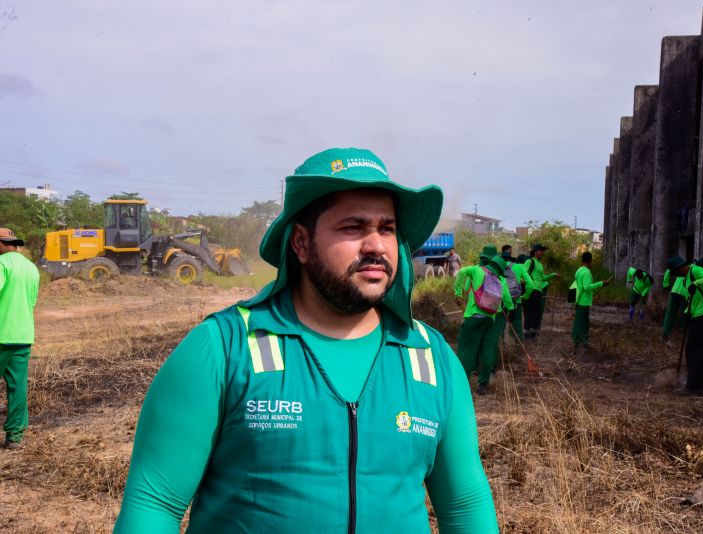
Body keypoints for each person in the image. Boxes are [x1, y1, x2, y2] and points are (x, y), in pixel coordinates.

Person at [115, 148, 499, 533]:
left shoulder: (431, 359)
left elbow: (465, 506)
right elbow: (155, 504)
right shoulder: (223, 348)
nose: (376, 246)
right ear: (300, 242)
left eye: (387, 228)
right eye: (353, 227)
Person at [454, 244, 513, 395]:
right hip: (490, 320)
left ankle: (462, 384)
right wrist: (510, 308)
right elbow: (506, 297)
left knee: (467, 350)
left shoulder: (476, 270)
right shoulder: (500, 279)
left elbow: (461, 273)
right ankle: (483, 385)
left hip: (474, 317)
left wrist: (458, 292)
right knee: (488, 351)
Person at [0, 228, 40, 449]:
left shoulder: (2, 264)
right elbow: (31, 301)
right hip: (23, 336)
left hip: (1, 335)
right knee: (17, 388)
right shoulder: (31, 268)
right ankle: (14, 436)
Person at [673, 256, 703, 394]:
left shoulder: (695, 271)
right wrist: (687, 312)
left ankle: (693, 386)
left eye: (676, 272)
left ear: (680, 268)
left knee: (696, 350)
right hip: (696, 315)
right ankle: (694, 382)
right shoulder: (686, 276)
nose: (676, 275)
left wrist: (697, 282)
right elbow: (691, 298)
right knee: (691, 349)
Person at [572, 252, 611, 353]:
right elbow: (587, 287)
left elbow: (579, 286)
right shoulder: (586, 272)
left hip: (579, 300)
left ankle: (578, 343)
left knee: (579, 322)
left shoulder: (579, 270)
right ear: (590, 261)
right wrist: (601, 283)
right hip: (584, 302)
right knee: (583, 324)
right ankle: (581, 344)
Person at [523, 243, 559, 338]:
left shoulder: (540, 264)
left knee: (536, 312)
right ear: (535, 252)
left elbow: (542, 278)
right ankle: (528, 333)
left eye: (543, 251)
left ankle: (531, 333)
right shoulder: (530, 261)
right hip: (532, 289)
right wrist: (528, 283)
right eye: (540, 250)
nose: (542, 252)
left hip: (538, 290)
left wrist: (553, 275)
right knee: (532, 312)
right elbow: (523, 273)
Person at [662, 257, 689, 343]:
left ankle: (665, 332)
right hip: (685, 292)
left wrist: (666, 285)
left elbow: (668, 271)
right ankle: (683, 332)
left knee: (670, 312)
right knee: (685, 312)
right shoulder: (692, 269)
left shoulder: (678, 267)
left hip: (675, 290)